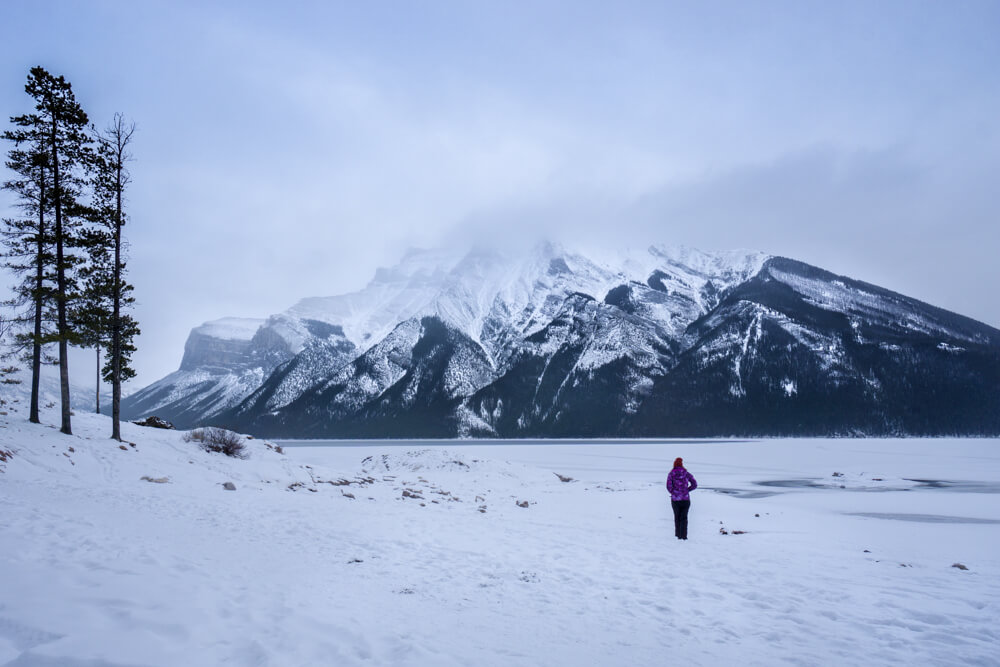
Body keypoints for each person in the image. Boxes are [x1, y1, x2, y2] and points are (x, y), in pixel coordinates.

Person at [666, 457, 697, 540]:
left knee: (677, 517)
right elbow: (694, 484)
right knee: (684, 517)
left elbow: (669, 486)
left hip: (675, 500)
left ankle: (677, 535)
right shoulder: (686, 473)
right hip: (685, 499)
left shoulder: (671, 474)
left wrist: (674, 492)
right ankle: (684, 536)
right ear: (682, 464)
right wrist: (687, 490)